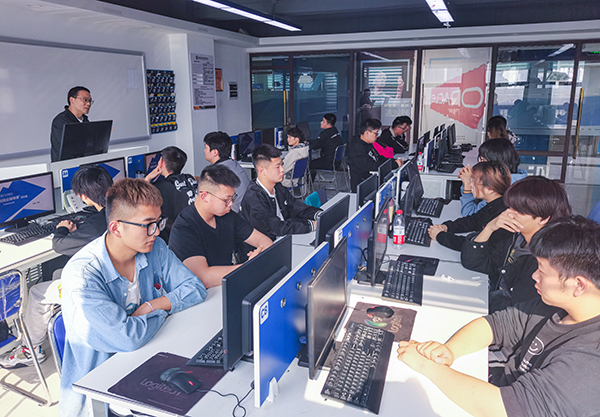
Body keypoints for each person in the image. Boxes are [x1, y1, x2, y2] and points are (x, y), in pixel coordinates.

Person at [397, 216, 600, 417]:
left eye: (542, 271)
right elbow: (496, 325)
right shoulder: (556, 307)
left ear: (579, 285)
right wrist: (449, 350)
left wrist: (427, 366)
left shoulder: (590, 361)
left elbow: (504, 408)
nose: (534, 276)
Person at [59, 178, 206, 417]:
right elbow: (127, 338)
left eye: (158, 222)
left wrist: (152, 306)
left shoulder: (155, 247)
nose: (156, 232)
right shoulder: (83, 275)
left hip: (151, 359)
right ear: (116, 228)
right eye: (148, 225)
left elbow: (195, 288)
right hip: (106, 390)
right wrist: (165, 311)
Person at [0, 165, 111, 369]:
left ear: (83, 197)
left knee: (36, 292)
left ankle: (30, 349)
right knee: (58, 273)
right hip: (110, 276)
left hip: (97, 286)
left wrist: (61, 229)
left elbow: (59, 245)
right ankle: (57, 324)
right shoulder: (115, 213)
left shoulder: (96, 223)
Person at [461, 176, 572, 313]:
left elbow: (518, 311)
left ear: (543, 218)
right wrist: (490, 228)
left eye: (518, 210)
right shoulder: (517, 239)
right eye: (510, 207)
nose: (508, 214)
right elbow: (474, 262)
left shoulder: (544, 262)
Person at [169, 164, 272, 289]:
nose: (231, 204)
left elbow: (264, 241)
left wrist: (259, 255)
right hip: (201, 294)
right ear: (205, 196)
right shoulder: (184, 227)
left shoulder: (227, 216)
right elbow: (203, 278)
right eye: (226, 200)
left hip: (227, 285)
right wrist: (249, 266)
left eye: (232, 198)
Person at [240, 144, 322, 241]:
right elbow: (276, 227)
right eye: (277, 166)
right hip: (267, 246)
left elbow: (295, 206)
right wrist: (311, 225)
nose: (282, 169)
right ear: (262, 171)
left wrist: (319, 215)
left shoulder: (277, 186)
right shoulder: (254, 198)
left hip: (284, 237)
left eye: (281, 164)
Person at [428, 161, 511, 251]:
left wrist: (440, 236)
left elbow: (475, 246)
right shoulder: (495, 203)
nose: (471, 184)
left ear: (490, 189)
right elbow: (474, 221)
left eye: (474, 180)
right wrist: (447, 227)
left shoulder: (503, 216)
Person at [458, 138, 527, 216]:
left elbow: (470, 214)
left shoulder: (500, 188)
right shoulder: (516, 179)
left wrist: (467, 185)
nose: (479, 163)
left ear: (494, 164)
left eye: (482, 160)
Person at [144, 146, 198, 243]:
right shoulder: (190, 178)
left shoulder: (159, 187)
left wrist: (148, 178)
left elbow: (139, 199)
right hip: (195, 231)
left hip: (175, 238)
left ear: (161, 163)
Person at [346, 119, 402, 192]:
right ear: (367, 133)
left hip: (372, 180)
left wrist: (394, 161)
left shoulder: (368, 144)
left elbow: (378, 158)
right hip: (364, 186)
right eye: (376, 133)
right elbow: (372, 166)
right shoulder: (357, 148)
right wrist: (394, 164)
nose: (377, 136)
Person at [203, 131, 251, 212]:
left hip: (233, 214)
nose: (204, 151)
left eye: (206, 148)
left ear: (215, 152)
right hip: (246, 210)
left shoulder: (217, 172)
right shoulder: (233, 164)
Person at [50, 86, 92, 162]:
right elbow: (70, 147)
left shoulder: (85, 120)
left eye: (90, 101)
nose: (88, 104)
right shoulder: (61, 121)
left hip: (84, 163)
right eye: (85, 100)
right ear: (72, 100)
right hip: (67, 166)